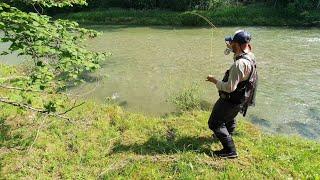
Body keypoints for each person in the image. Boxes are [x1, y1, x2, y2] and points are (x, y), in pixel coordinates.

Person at [206, 30, 258, 158]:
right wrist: (232, 48)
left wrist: (214, 81)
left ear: (238, 45)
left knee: (214, 123)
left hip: (231, 99)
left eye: (232, 43)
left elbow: (229, 88)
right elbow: (239, 54)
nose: (230, 45)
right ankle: (227, 133)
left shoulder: (239, 65)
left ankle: (230, 150)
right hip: (240, 99)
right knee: (229, 117)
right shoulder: (250, 56)